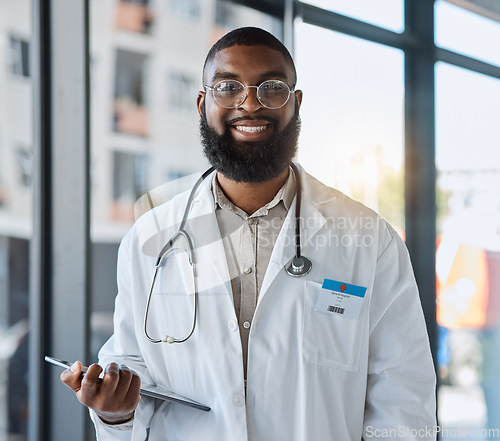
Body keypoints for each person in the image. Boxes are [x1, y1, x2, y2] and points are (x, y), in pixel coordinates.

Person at [61, 27, 437, 440]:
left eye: (272, 87)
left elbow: (404, 400)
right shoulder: (151, 237)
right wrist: (113, 411)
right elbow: (132, 370)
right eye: (228, 86)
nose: (251, 102)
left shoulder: (370, 240)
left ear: (296, 104)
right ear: (203, 103)